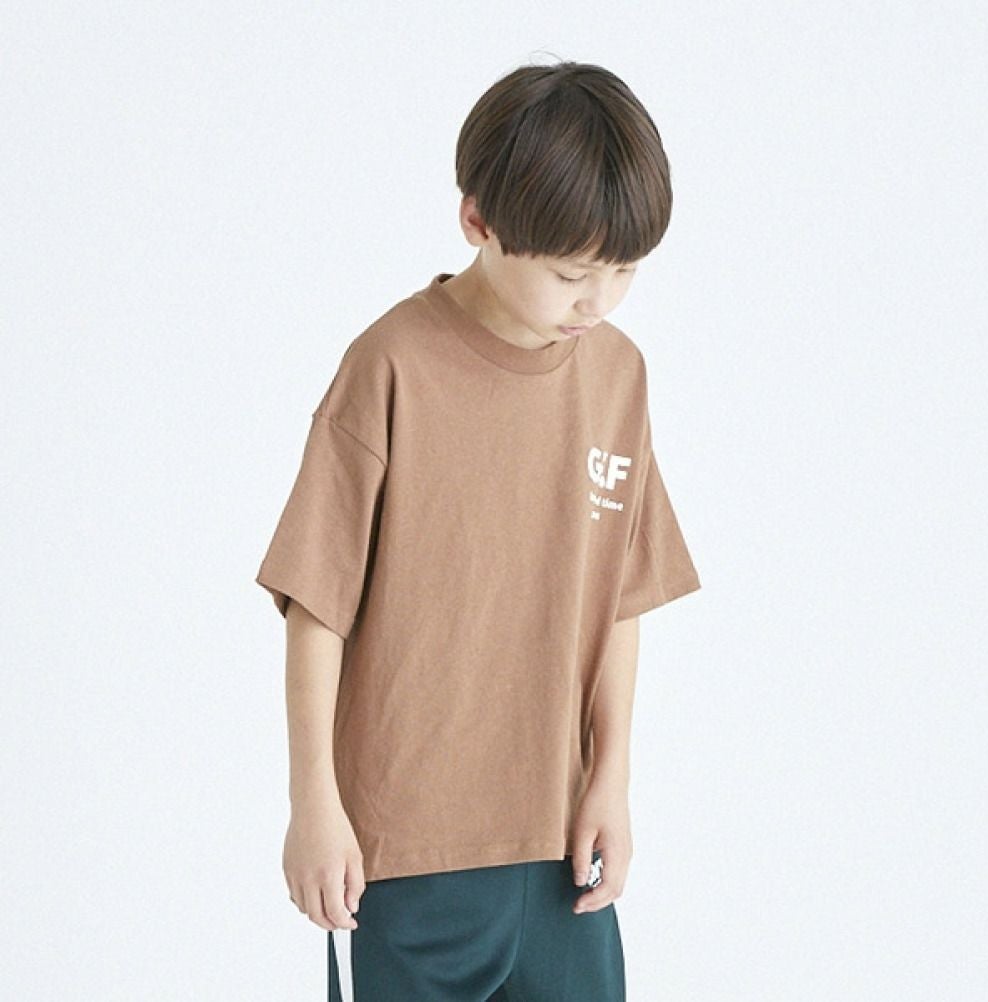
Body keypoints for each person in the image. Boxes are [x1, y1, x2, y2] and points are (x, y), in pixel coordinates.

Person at [255, 59, 701, 1002]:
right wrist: (313, 802)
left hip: (561, 849)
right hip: (406, 852)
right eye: (572, 273)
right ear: (478, 222)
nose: (598, 301)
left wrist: (612, 778)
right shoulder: (390, 366)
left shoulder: (618, 377)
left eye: (624, 271)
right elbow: (316, 606)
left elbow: (620, 599)